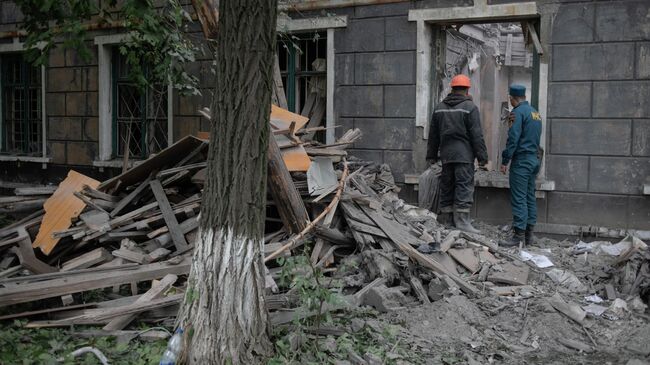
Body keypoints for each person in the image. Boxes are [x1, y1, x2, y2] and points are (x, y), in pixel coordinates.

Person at [426, 74, 488, 234]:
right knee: (463, 186)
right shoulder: (470, 108)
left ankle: (447, 220)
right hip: (464, 156)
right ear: (467, 90)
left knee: (447, 185)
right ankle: (462, 222)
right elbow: (477, 135)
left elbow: (433, 135)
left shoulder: (439, 107)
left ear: (452, 88)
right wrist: (482, 158)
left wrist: (431, 156)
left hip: (446, 155)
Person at [500, 84, 543, 247]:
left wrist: (505, 160)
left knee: (519, 198)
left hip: (522, 161)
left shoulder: (517, 113)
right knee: (529, 196)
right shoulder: (535, 113)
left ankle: (518, 236)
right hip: (534, 160)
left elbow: (513, 138)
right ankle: (529, 236)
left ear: (513, 98)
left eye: (510, 98)